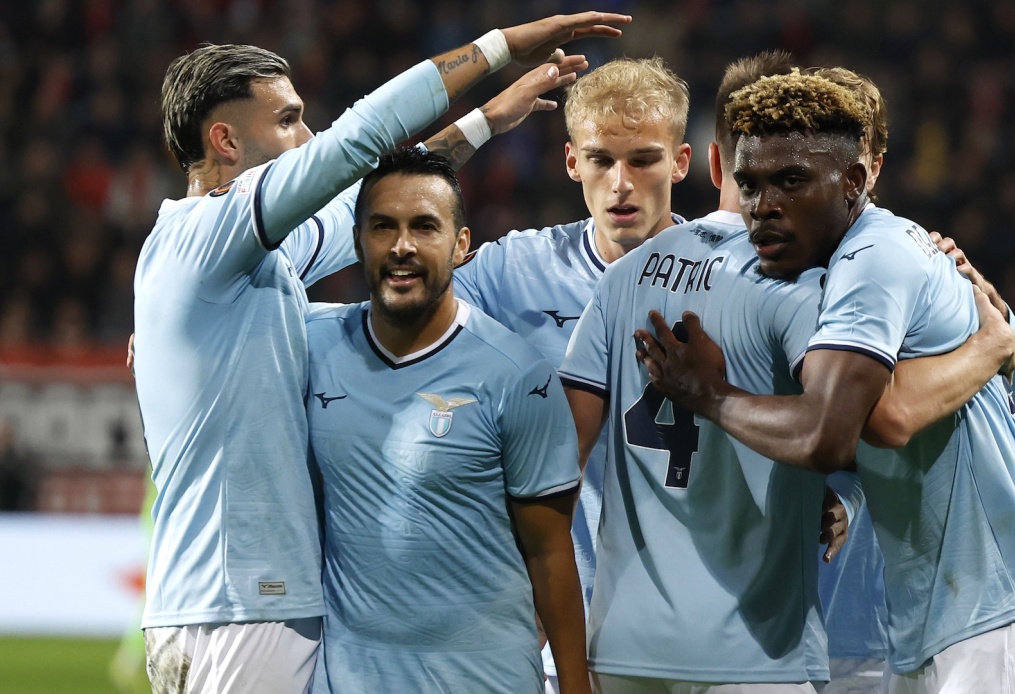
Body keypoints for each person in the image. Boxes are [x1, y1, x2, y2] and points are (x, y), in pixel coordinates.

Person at [132, 12, 629, 693]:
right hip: (239, 605)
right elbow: (358, 138)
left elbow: (370, 206)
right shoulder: (206, 238)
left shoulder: (237, 256)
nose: (306, 137)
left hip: (238, 603)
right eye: (287, 120)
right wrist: (499, 48)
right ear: (225, 139)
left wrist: (485, 122)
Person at [556, 55, 1015, 693]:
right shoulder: (805, 286)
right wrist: (988, 345)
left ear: (711, 161)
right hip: (754, 649)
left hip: (623, 643)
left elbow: (557, 463)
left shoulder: (624, 278)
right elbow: (863, 421)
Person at [305, 147, 587, 693]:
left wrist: (576, 687)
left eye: (424, 227)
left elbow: (550, 552)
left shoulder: (516, 374)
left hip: (483, 679)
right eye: (383, 227)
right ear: (358, 242)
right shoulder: (312, 344)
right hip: (352, 678)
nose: (402, 246)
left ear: (460, 246)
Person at [452, 56, 691, 690]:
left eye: (643, 160)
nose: (620, 184)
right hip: (571, 628)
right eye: (600, 160)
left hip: (706, 626)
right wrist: (478, 124)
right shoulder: (512, 272)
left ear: (681, 162)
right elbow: (390, 298)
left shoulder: (734, 273)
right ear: (571, 163)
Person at [806, 67, 1015, 694]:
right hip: (891, 607)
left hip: (948, 605)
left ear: (872, 167)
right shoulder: (814, 267)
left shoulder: (892, 257)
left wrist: (985, 309)